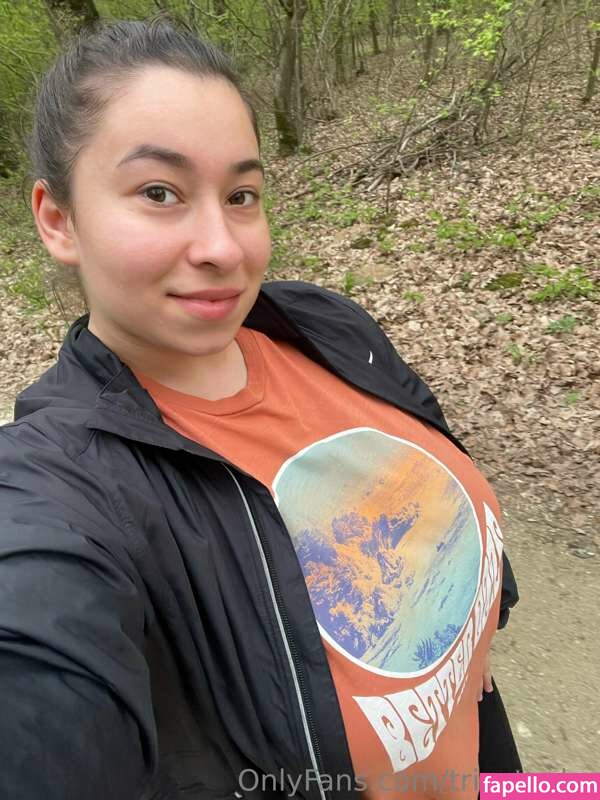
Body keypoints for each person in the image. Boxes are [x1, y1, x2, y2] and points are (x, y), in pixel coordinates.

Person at [0, 18, 521, 800]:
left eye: (241, 195)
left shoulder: (324, 327)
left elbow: (444, 472)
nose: (223, 247)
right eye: (159, 193)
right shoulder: (60, 487)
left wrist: (481, 615)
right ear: (58, 219)